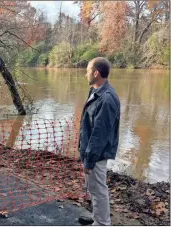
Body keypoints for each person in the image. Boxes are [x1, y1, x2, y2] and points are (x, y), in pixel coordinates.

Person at [78, 57, 121, 226]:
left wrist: (89, 160)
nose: (85, 74)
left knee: (98, 189)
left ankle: (102, 223)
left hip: (97, 154)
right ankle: (97, 218)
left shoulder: (107, 98)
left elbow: (100, 135)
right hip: (90, 150)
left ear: (96, 73)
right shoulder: (95, 91)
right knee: (94, 188)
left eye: (88, 70)